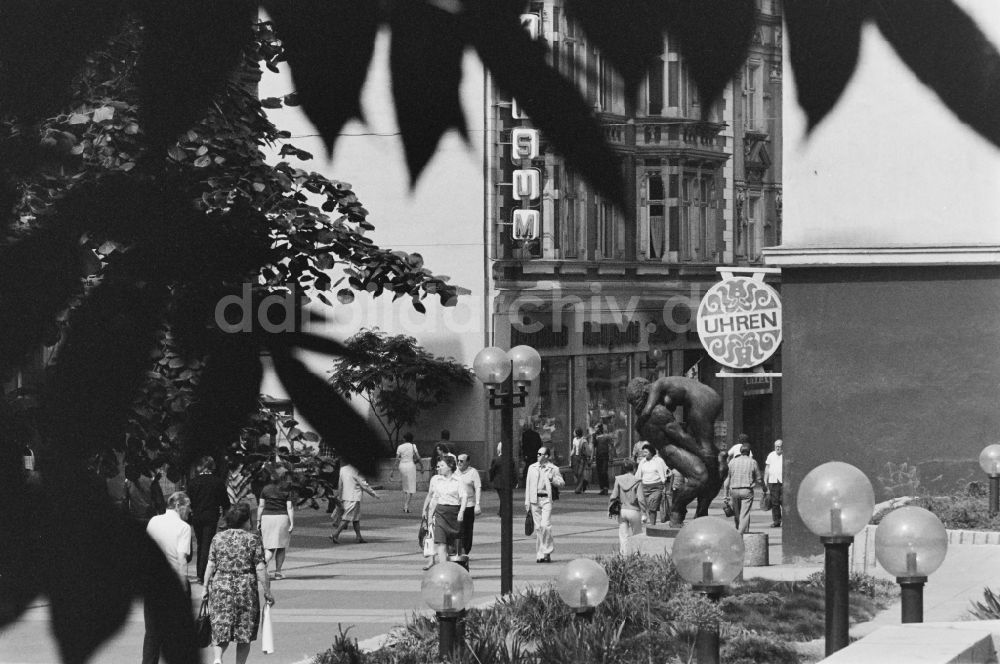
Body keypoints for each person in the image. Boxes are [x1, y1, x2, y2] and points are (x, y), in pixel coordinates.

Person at [628, 376, 724, 523]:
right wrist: (702, 452)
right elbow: (680, 436)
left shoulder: (650, 411)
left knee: (715, 470)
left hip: (671, 449)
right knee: (700, 476)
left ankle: (700, 512)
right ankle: (677, 509)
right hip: (672, 450)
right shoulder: (658, 411)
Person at [203, 503, 273, 664]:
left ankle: (217, 659)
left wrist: (205, 587)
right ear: (245, 521)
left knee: (221, 626)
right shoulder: (253, 539)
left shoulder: (218, 538)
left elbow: (211, 564)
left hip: (221, 586)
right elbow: (260, 568)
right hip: (245, 588)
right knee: (244, 630)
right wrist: (267, 591)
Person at [142, 491, 193, 664]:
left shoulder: (154, 521)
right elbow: (181, 560)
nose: (190, 510)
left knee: (152, 632)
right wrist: (184, 587)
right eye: (188, 506)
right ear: (178, 506)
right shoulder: (184, 527)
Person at [188, 456, 230, 583]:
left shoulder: (193, 482)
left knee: (201, 543)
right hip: (211, 515)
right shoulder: (217, 482)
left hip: (196, 516)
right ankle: (203, 574)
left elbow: (189, 501)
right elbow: (225, 502)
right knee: (207, 543)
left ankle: (199, 572)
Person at [422, 455, 467, 568]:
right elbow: (435, 498)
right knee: (441, 542)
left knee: (454, 544)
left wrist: (461, 511)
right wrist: (430, 515)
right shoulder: (437, 480)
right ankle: (444, 568)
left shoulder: (458, 480)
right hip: (440, 513)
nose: (439, 468)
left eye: (442, 465)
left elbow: (464, 497)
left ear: (450, 466)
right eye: (439, 466)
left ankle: (459, 566)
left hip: (454, 513)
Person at [524, 446, 565, 563]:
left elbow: (562, 483)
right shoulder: (532, 468)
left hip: (546, 499)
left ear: (546, 456)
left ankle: (547, 551)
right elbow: (528, 485)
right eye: (537, 454)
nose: (537, 456)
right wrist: (527, 501)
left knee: (545, 526)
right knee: (538, 528)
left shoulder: (553, 468)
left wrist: (553, 480)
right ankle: (540, 553)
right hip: (534, 499)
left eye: (540, 454)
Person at [256, 472, 293, 579]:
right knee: (281, 547)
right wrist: (292, 523)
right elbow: (289, 508)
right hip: (282, 518)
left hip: (267, 518)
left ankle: (262, 569)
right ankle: (277, 572)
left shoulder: (265, 489)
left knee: (269, 546)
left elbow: (261, 506)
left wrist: (258, 521)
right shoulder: (286, 490)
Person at [331, 462, 380, 543]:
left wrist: (339, 495)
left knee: (355, 518)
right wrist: (374, 494)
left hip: (345, 496)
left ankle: (358, 536)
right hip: (354, 497)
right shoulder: (357, 471)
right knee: (347, 518)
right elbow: (364, 485)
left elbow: (340, 484)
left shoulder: (343, 469)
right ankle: (335, 534)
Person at [723, 443, 763, 534]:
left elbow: (727, 480)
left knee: (737, 514)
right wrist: (764, 488)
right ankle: (741, 534)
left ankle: (738, 530)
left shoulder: (732, 462)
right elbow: (759, 479)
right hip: (746, 491)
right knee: (744, 515)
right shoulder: (752, 462)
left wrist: (725, 496)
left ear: (740, 452)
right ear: (749, 452)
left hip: (734, 491)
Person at [609, 459, 646, 554]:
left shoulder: (618, 479)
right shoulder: (637, 481)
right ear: (634, 469)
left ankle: (624, 555)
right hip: (634, 510)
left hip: (622, 510)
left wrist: (610, 508)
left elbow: (614, 495)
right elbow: (641, 499)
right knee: (637, 534)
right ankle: (636, 554)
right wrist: (644, 513)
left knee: (623, 535)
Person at [635, 443, 669, 526]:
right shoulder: (643, 461)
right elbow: (638, 475)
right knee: (649, 507)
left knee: (652, 506)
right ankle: (652, 524)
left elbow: (666, 471)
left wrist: (666, 483)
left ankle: (652, 525)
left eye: (646, 452)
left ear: (651, 452)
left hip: (657, 487)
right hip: (645, 487)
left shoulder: (658, 460)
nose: (644, 454)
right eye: (643, 452)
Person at [455, 453, 482, 556]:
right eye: (458, 460)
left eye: (462, 461)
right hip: (457, 504)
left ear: (467, 462)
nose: (459, 463)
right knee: (457, 529)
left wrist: (477, 503)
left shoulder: (473, 472)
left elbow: (478, 487)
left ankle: (465, 550)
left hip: (469, 505)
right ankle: (458, 549)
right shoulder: (455, 471)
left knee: (467, 529)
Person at [395, 432, 422, 513]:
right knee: (411, 486)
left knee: (405, 486)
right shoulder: (413, 446)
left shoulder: (400, 447)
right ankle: (406, 505)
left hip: (402, 466)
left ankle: (405, 503)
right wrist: (422, 466)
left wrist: (392, 470)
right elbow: (418, 457)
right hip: (410, 466)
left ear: (404, 439)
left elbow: (397, 459)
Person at [764, 439, 784, 527]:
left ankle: (787, 521)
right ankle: (777, 521)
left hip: (783, 482)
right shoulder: (771, 455)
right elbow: (767, 468)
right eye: (776, 446)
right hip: (773, 481)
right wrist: (765, 480)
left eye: (780, 446)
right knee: (774, 503)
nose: (778, 448)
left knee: (784, 502)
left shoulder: (786, 455)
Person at [519, 422, 542, 489]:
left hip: (528, 454)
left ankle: (525, 482)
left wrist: (524, 454)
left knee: (528, 467)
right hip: (535, 454)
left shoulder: (525, 434)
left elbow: (524, 445)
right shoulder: (536, 434)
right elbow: (539, 444)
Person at [592, 424, 613, 495]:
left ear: (599, 428)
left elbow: (610, 446)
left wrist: (611, 457)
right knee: (599, 472)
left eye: (596, 427)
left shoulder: (606, 436)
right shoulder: (595, 436)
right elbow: (593, 447)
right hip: (598, 456)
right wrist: (592, 457)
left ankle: (606, 487)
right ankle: (602, 488)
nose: (595, 429)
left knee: (604, 471)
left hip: (605, 456)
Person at [570, 428, 591, 494]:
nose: (573, 433)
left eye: (574, 432)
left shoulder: (584, 441)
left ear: (577, 433)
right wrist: (571, 455)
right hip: (576, 457)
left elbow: (587, 450)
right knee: (576, 472)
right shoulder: (574, 440)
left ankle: (578, 489)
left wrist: (588, 458)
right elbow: (573, 448)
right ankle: (584, 482)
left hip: (582, 458)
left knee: (580, 473)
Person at [488, 442, 505, 516]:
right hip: (506, 482)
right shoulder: (510, 459)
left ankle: (502, 511)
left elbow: (492, 470)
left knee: (502, 497)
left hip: (498, 482)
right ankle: (502, 511)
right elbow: (513, 471)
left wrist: (491, 479)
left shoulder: (496, 459)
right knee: (504, 497)